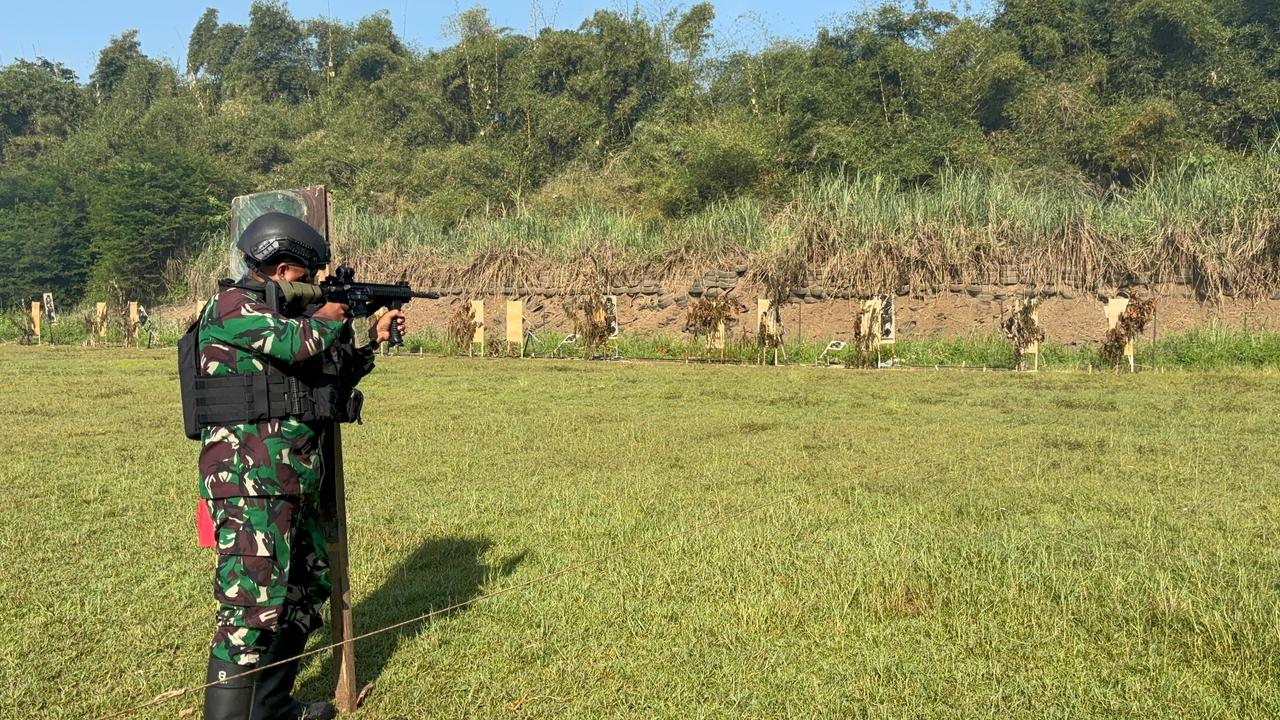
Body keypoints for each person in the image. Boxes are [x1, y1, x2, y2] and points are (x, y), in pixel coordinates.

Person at [188, 212, 405, 720]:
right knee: (249, 608)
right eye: (307, 277)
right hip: (247, 482)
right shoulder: (230, 306)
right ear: (285, 269)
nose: (312, 287)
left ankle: (271, 707)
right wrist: (333, 314)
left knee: (306, 590)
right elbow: (295, 343)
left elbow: (325, 379)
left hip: (292, 478)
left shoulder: (293, 319)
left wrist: (369, 337)